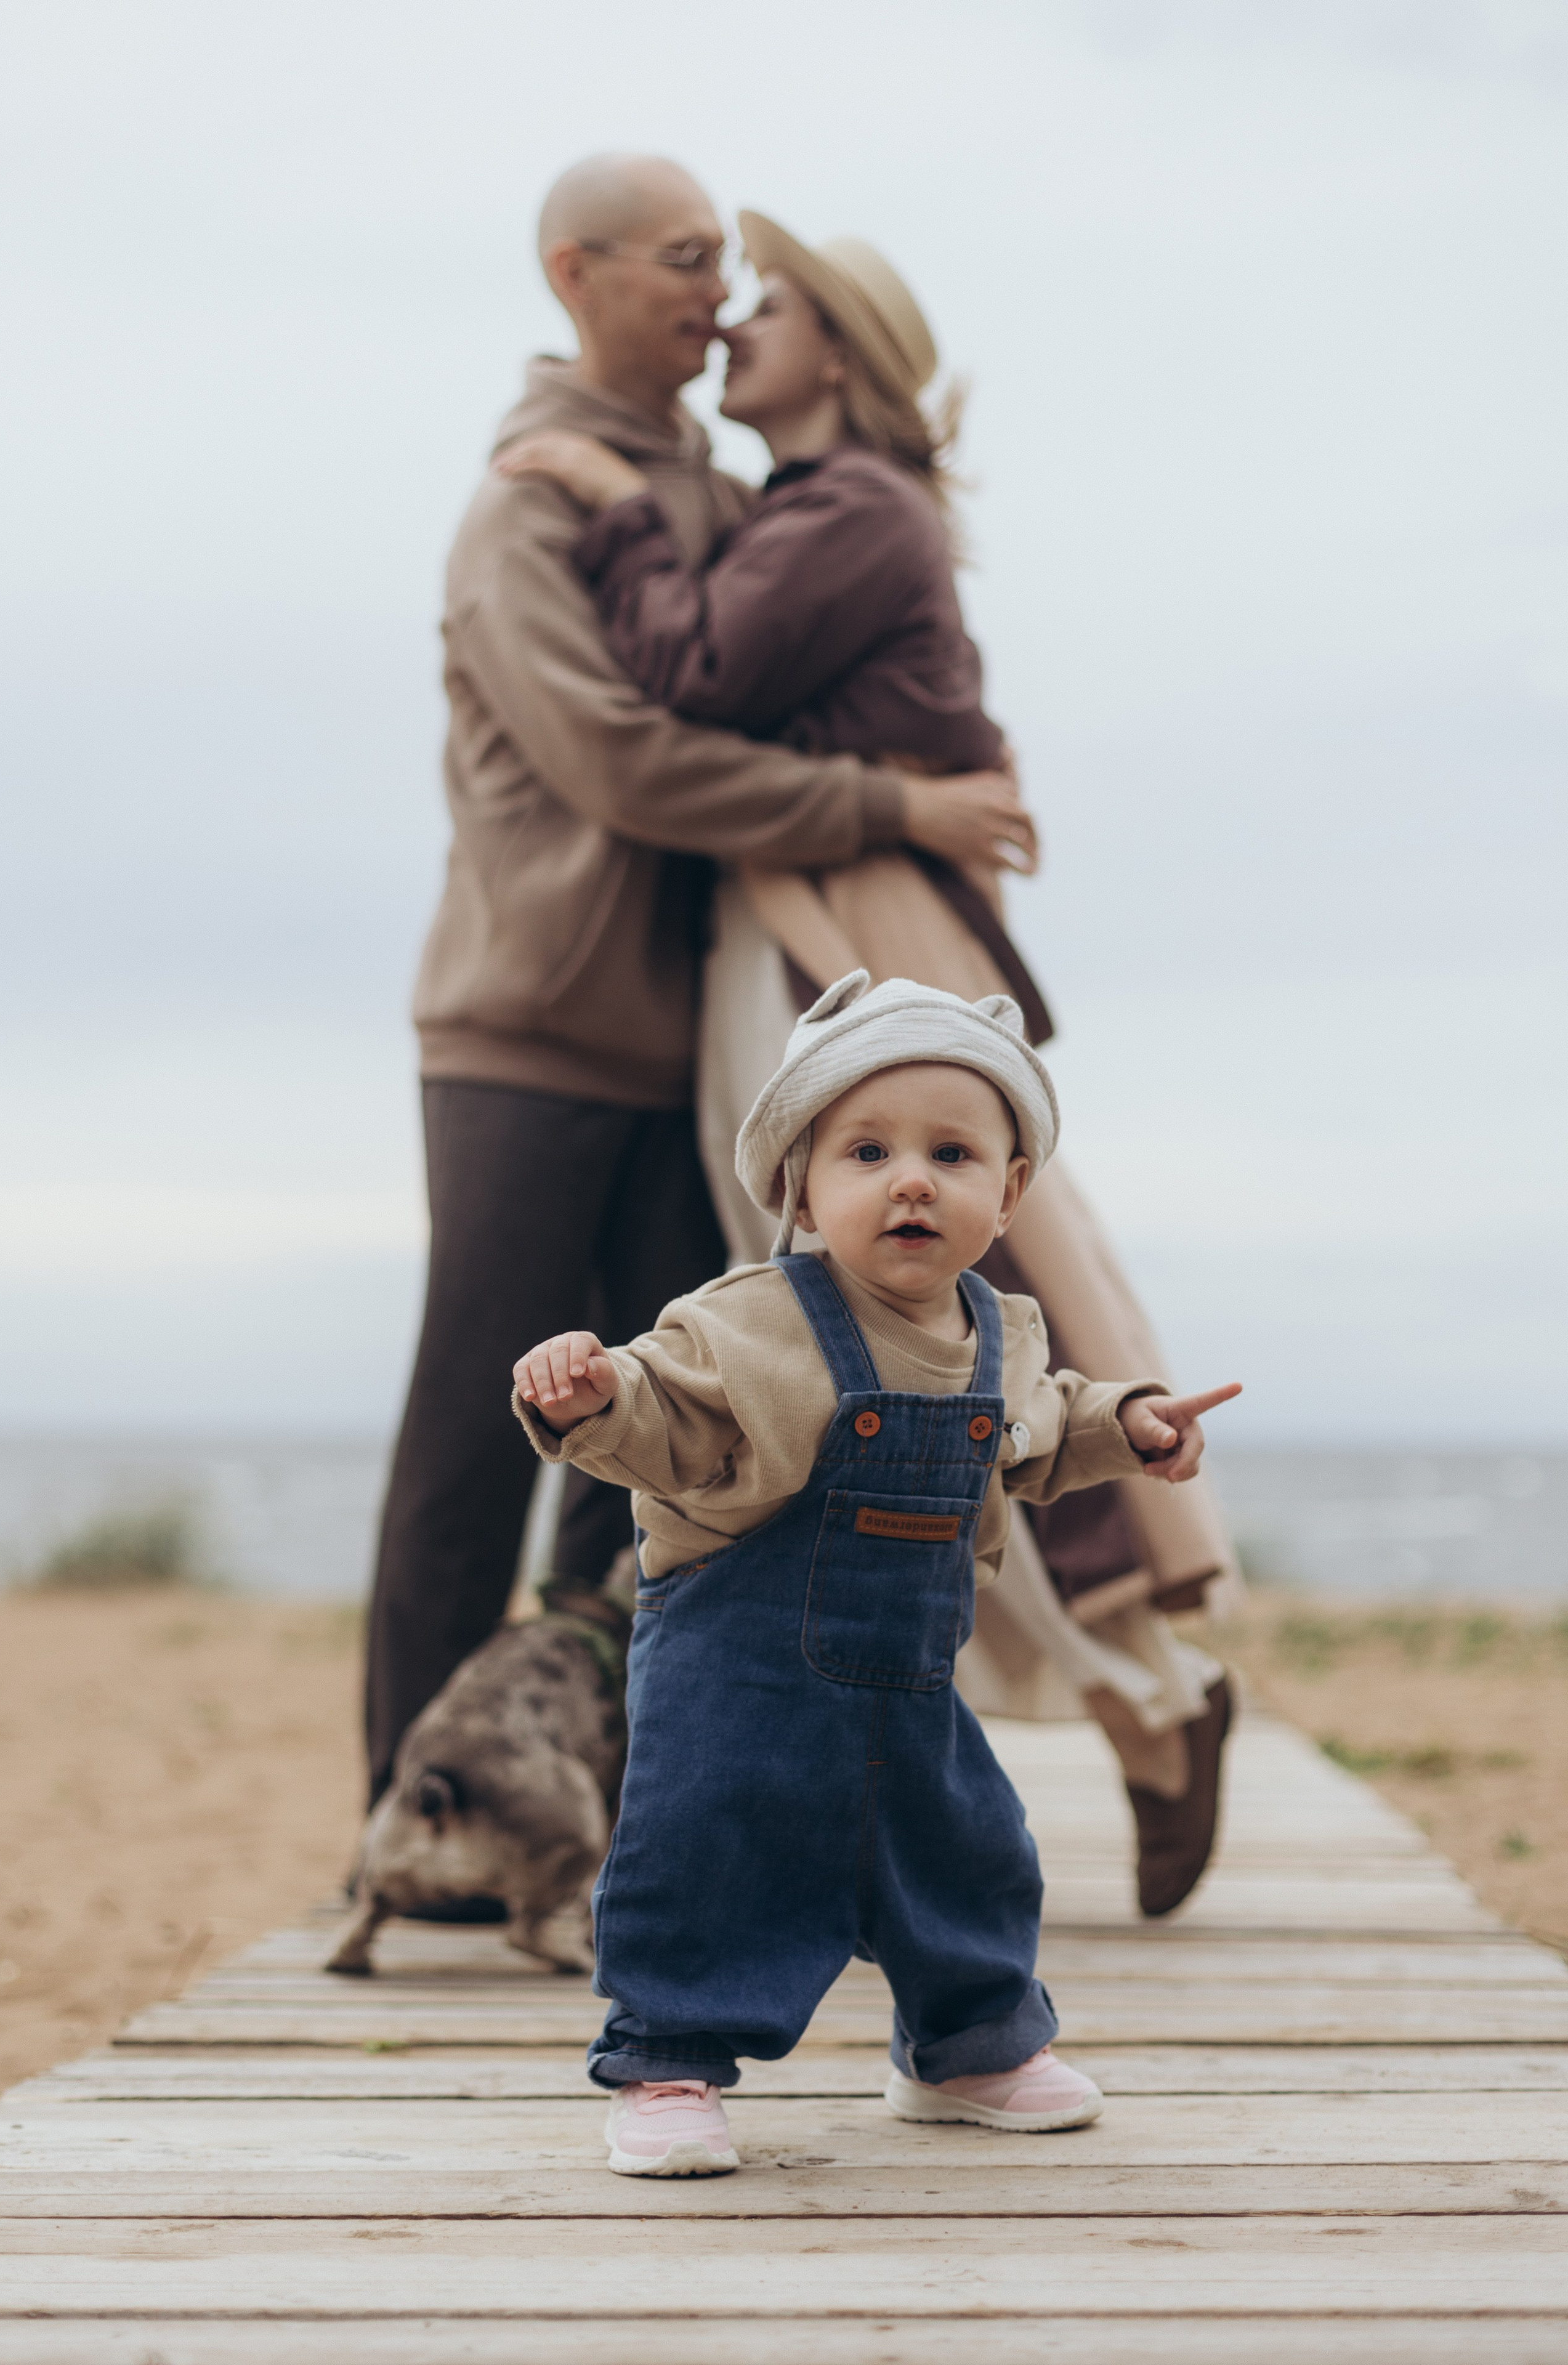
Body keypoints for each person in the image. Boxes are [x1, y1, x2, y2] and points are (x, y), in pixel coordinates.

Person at [500, 209, 1241, 1916]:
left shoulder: (850, 510)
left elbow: (689, 671)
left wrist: (613, 508)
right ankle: (1123, 1712)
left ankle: (1140, 1707)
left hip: (846, 941)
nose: (734, 328)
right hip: (825, 920)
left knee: (900, 1348)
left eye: (767, 308)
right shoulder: (816, 511)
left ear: (838, 347)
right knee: (873, 1350)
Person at [365, 158, 1036, 1807]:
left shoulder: (711, 493)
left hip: (683, 1048)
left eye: (732, 266)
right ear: (572, 275)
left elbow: (783, 672)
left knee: (658, 1431)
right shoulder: (525, 501)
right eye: (683, 263)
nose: (719, 298)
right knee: (476, 1426)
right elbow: (627, 762)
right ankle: (409, 1804)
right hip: (525, 1029)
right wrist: (894, 807)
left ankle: (586, 1777)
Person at [513, 973, 1241, 2175]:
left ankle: (962, 2048)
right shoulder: (742, 1322)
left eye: (950, 1153)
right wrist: (592, 1396)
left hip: (907, 1674)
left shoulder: (999, 1335)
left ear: (1005, 1194)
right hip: (729, 1673)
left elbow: (1046, 1427)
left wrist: (1135, 1423)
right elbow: (661, 1415)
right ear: (800, 1185)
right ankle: (666, 2064)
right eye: (866, 1151)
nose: (911, 1178)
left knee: (968, 1848)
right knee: (699, 1852)